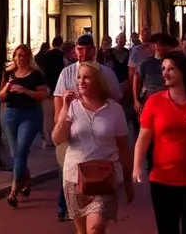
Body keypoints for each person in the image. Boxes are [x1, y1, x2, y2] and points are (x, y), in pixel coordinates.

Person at [133, 50, 186, 234]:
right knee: (166, 229)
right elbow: (144, 137)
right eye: (163, 68)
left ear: (183, 72)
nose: (165, 73)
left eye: (171, 69)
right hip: (162, 179)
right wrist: (137, 166)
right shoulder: (155, 102)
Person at [54, 61, 134, 233]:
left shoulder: (115, 110)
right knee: (83, 231)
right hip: (74, 177)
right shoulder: (72, 107)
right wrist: (65, 110)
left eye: (87, 77)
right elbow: (57, 139)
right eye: (79, 77)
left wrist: (127, 179)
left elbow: (124, 148)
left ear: (98, 81)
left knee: (95, 228)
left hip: (104, 177)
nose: (81, 81)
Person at [56, 34, 123, 221]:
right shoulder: (66, 73)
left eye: (88, 49)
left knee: (95, 225)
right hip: (72, 133)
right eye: (80, 49)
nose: (84, 53)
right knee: (66, 169)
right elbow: (57, 104)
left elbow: (116, 97)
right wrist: (62, 121)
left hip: (102, 157)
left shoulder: (106, 73)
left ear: (94, 50)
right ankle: (63, 208)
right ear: (75, 50)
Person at [1, 43, 50, 206]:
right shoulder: (8, 73)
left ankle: (13, 190)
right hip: (10, 114)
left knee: (21, 150)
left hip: (29, 114)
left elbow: (43, 94)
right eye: (17, 55)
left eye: (22, 55)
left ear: (28, 57)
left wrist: (26, 91)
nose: (19, 58)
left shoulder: (35, 74)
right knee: (15, 153)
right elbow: (0, 97)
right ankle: (26, 181)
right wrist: (7, 88)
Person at [133, 34, 175, 116]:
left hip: (167, 100)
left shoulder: (172, 62)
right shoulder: (146, 62)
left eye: (163, 45)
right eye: (158, 45)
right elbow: (136, 78)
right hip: (149, 99)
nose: (160, 48)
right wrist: (136, 100)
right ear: (154, 46)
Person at [39, 36, 67, 148]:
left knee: (48, 115)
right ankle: (58, 137)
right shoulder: (63, 56)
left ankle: (47, 138)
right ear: (61, 44)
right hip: (59, 88)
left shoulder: (46, 55)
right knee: (59, 114)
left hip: (48, 87)